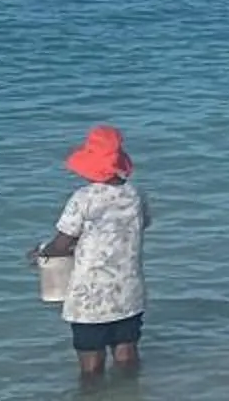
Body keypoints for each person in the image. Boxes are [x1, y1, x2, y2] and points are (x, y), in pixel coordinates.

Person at [31, 125, 151, 381]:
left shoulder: (83, 198)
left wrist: (41, 253)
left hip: (91, 299)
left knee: (91, 366)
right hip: (128, 292)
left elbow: (61, 244)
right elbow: (136, 227)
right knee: (127, 356)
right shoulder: (136, 195)